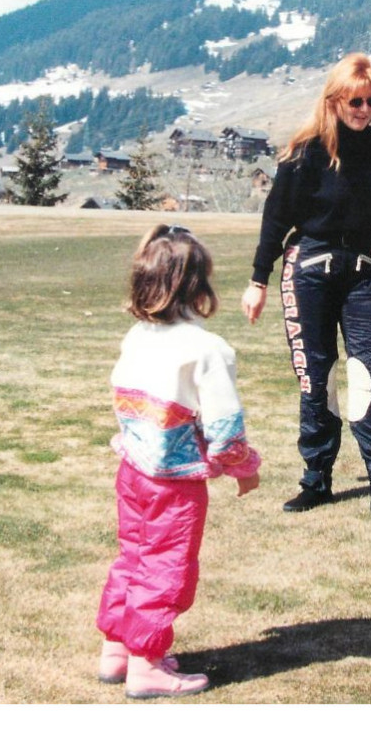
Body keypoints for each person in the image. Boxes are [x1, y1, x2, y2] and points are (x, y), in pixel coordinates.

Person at [241, 52, 371, 517]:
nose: (364, 109)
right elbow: (275, 219)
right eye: (355, 100)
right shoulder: (305, 151)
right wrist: (257, 280)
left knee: (370, 374)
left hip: (365, 269)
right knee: (317, 377)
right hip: (308, 271)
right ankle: (316, 479)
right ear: (335, 99)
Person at [97, 224, 262, 699]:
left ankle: (118, 649)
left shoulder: (137, 335)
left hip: (132, 470)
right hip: (174, 483)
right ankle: (147, 665)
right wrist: (244, 468)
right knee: (165, 565)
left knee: (133, 555)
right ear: (200, 286)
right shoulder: (206, 349)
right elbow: (225, 428)